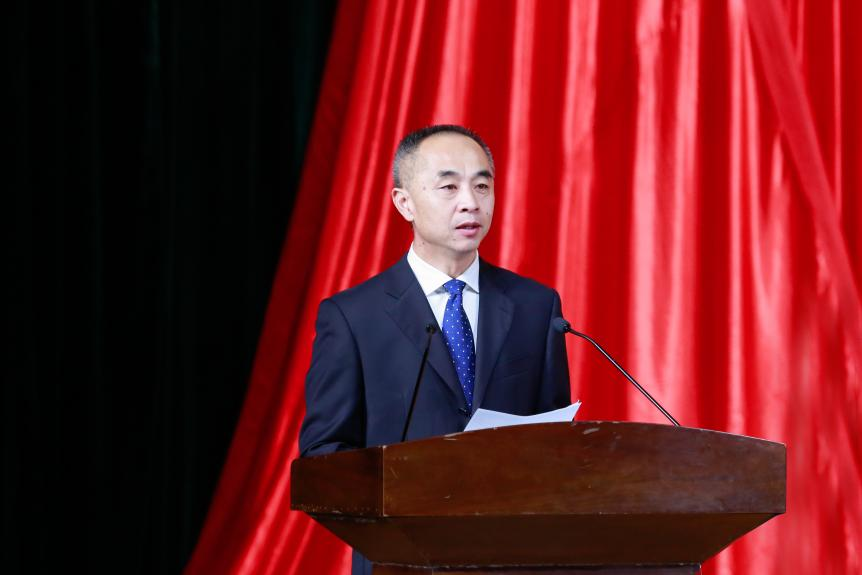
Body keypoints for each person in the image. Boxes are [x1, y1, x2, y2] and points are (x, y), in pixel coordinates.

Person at [298, 125, 571, 574]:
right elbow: (323, 457)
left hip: (512, 558)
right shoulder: (352, 317)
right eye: (448, 187)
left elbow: (556, 441)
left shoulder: (536, 306)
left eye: (482, 186)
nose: (471, 202)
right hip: (400, 557)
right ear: (404, 202)